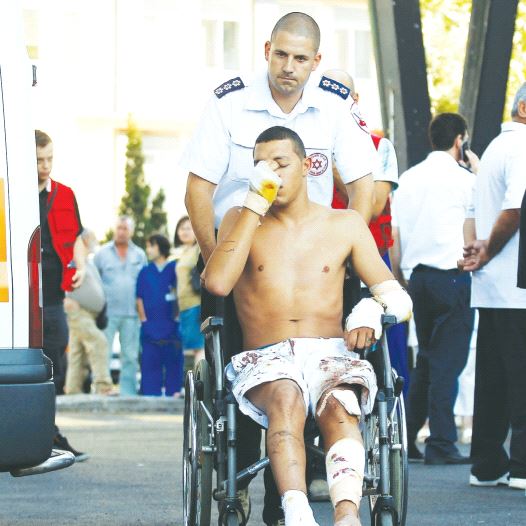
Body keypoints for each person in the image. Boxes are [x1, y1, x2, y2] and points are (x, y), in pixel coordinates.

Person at [181, 12, 378, 524]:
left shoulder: (333, 103)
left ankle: (287, 502)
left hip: (311, 257)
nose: (288, 67)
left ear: (317, 61)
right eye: (280, 54)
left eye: (300, 58)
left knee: (323, 386)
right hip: (241, 250)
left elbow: (365, 183)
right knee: (250, 383)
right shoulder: (229, 101)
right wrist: (220, 254)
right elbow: (198, 188)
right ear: (267, 49)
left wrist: (335, 240)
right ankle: (240, 483)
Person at [204, 126, 412, 526]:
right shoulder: (239, 218)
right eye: (261, 166)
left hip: (329, 352)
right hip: (266, 356)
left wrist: (367, 313)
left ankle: (346, 514)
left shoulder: (345, 223)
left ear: (307, 166)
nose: (272, 173)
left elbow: (396, 296)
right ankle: (298, 514)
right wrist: (252, 205)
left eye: (281, 163)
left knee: (340, 407)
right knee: (286, 398)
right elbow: (217, 283)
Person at [390, 113, 477, 464]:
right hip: (452, 276)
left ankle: (409, 440)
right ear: (460, 140)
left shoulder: (407, 179)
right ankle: (442, 442)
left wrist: (398, 277)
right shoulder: (465, 180)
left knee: (425, 358)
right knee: (448, 361)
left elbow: (393, 236)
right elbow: (478, 224)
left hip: (417, 279)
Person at [460, 83, 526, 489]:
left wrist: (472, 252)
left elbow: (471, 212)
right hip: (516, 284)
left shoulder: (496, 149)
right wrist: (484, 253)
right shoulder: (522, 148)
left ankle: (486, 465)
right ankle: (521, 466)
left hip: (491, 287)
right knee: (521, 377)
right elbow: (516, 207)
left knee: (494, 378)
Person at [36, 129, 89, 461]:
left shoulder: (65, 194)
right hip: (17, 301)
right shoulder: (10, 193)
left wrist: (80, 266)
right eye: (38, 160)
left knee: (53, 368)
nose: (45, 166)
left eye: (49, 159)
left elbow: (77, 238)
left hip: (54, 298)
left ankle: (49, 434)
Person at [94, 216, 146, 396]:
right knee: (103, 353)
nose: (121, 231)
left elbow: (145, 284)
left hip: (132, 313)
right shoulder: (101, 253)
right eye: (119, 228)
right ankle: (101, 390)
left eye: (125, 228)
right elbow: (94, 281)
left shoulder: (139, 254)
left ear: (131, 231)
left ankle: (128, 393)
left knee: (130, 356)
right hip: (106, 313)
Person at [64, 229, 114, 395]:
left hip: (89, 314)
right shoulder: (73, 259)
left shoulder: (86, 261)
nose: (95, 240)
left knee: (78, 354)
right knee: (99, 342)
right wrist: (67, 298)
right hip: (78, 311)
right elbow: (64, 277)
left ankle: (72, 390)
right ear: (83, 239)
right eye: (92, 237)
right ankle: (103, 385)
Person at [136, 234, 183, 397]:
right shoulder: (145, 271)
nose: (148, 250)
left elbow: (179, 293)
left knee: (173, 360)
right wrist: (144, 320)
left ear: (160, 247)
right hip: (150, 325)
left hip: (170, 323)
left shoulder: (174, 268)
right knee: (150, 361)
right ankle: (150, 394)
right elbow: (139, 297)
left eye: (151, 246)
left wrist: (176, 318)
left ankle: (174, 392)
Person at [173, 216, 204, 365]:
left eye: (188, 228)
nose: (185, 231)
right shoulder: (181, 252)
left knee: (199, 347)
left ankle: (203, 385)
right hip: (184, 305)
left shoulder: (199, 247)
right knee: (192, 348)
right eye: (182, 228)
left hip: (195, 304)